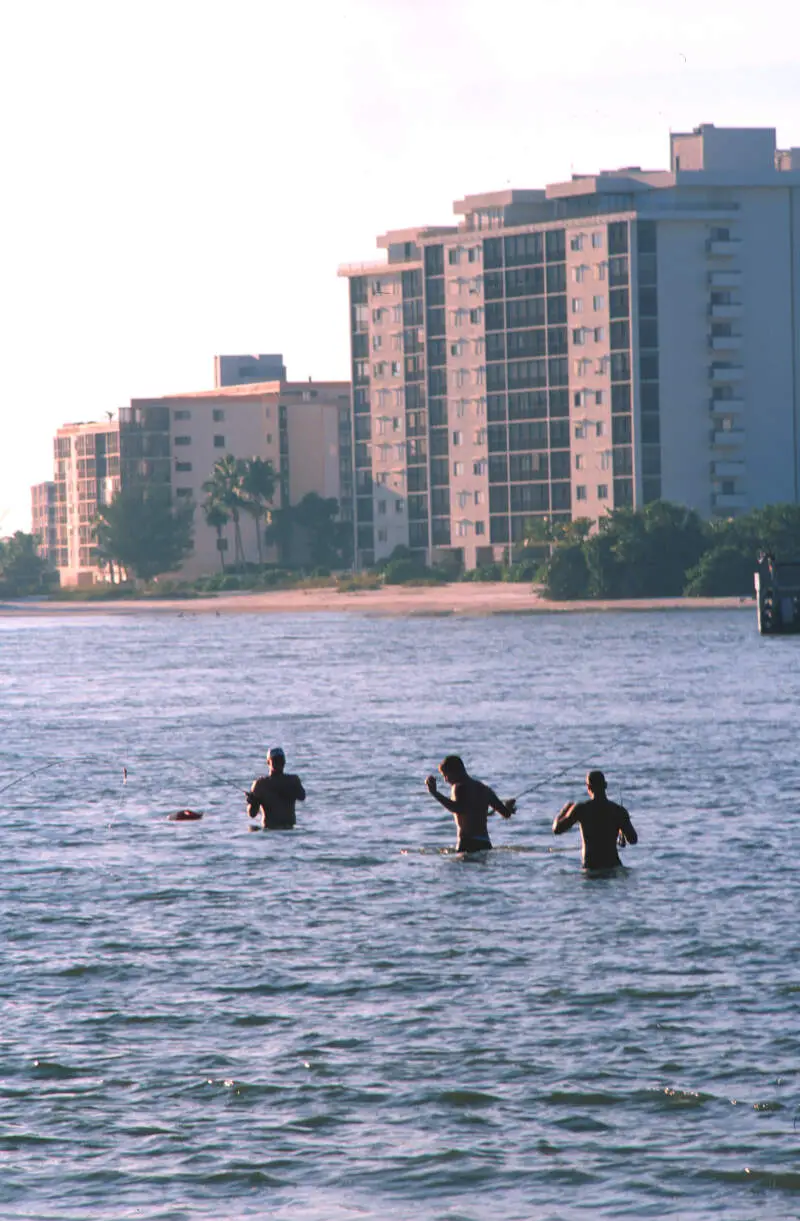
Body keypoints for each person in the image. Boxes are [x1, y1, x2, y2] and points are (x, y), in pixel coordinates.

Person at [425, 755, 515, 853]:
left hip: (467, 843)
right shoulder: (484, 789)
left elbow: (457, 808)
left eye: (445, 775)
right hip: (485, 843)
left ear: (455, 772)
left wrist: (434, 792)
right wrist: (508, 807)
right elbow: (506, 814)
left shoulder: (458, 787)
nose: (446, 780)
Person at [552, 770, 637, 870]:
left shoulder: (581, 809)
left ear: (588, 787)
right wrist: (620, 833)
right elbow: (633, 840)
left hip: (591, 866)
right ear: (605, 785)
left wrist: (565, 809)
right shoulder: (618, 811)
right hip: (613, 865)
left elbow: (557, 829)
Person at [246, 747, 305, 830]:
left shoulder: (292, 780)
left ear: (284, 761)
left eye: (281, 760)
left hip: (289, 829)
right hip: (269, 829)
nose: (278, 763)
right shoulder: (260, 784)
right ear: (268, 762)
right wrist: (253, 802)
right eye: (275, 760)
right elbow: (252, 814)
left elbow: (302, 796)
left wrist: (286, 789)